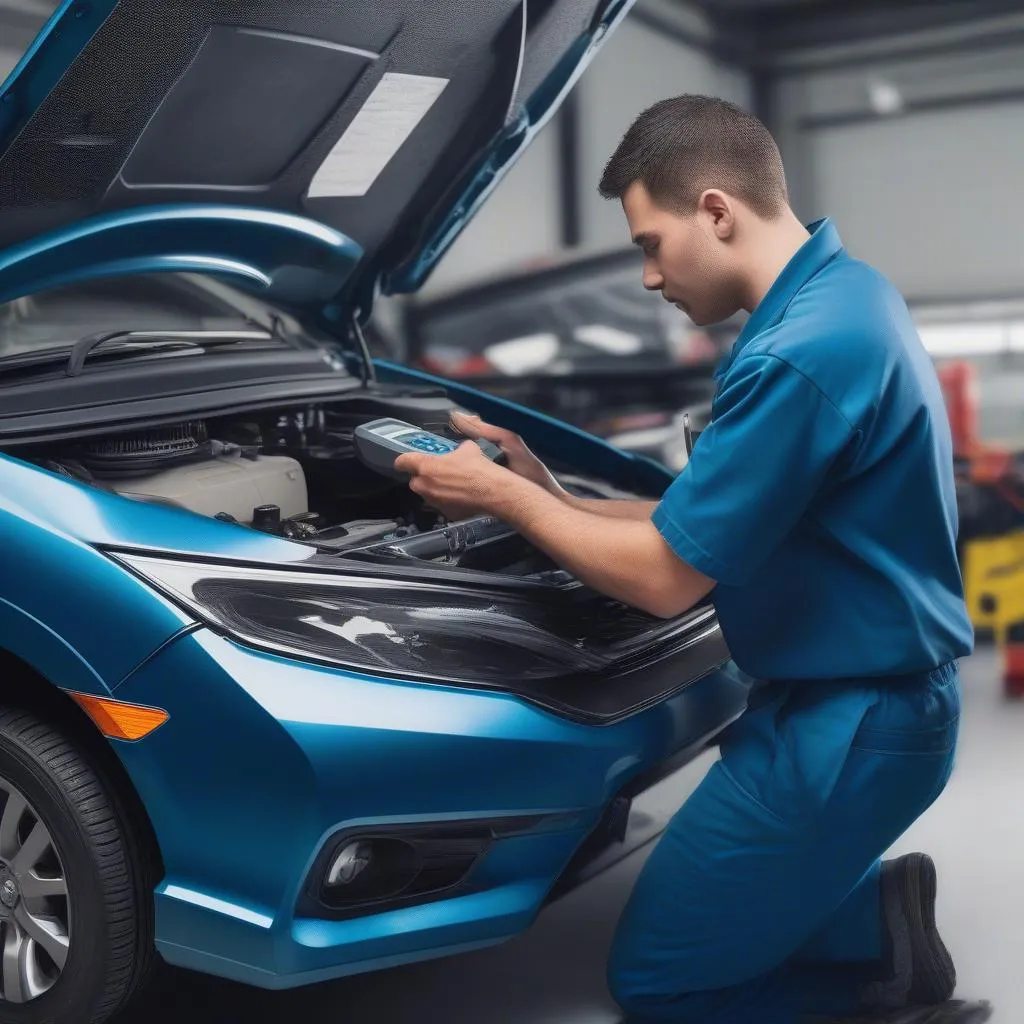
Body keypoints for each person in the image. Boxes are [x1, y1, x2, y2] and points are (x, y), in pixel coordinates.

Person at [394, 95, 990, 1024]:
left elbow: (669, 577)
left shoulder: (797, 353)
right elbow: (711, 514)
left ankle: (886, 979)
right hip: (850, 699)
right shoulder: (846, 294)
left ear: (716, 210)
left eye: (649, 243)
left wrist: (500, 499)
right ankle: (875, 918)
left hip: (851, 725)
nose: (646, 276)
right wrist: (552, 495)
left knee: (660, 986)